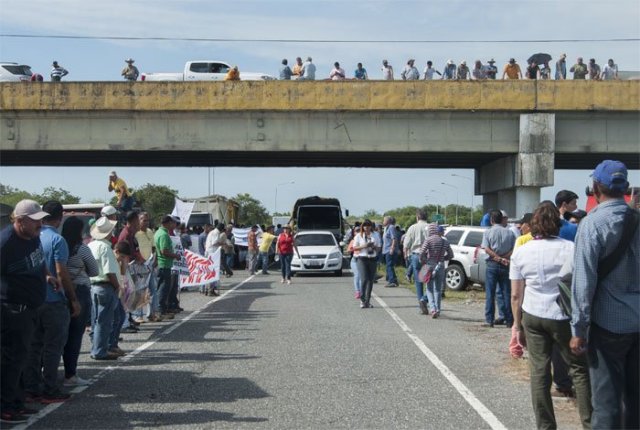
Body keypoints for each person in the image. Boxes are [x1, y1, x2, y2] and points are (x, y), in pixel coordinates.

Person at [510, 201, 592, 430]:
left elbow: (516, 295)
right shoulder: (571, 248)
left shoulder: (521, 251)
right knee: (578, 369)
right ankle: (589, 422)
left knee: (539, 372)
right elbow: (581, 285)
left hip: (533, 314)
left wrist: (518, 326)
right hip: (563, 315)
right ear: (557, 224)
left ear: (533, 225)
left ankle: (545, 426)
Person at [571, 160, 639, 429]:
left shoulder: (592, 224)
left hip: (608, 324)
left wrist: (579, 329)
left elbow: (583, 282)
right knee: (635, 400)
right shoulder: (636, 219)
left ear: (595, 187)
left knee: (606, 402)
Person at [1, 200, 56, 423]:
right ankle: (4, 407)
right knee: (10, 360)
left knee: (21, 360)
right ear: (20, 220)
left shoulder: (32, 239)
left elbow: (39, 261)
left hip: (30, 309)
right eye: (35, 221)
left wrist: (47, 275)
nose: (40, 224)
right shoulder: (5, 244)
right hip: (11, 311)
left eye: (41, 220)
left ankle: (16, 402)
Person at [24, 201, 80, 404]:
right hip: (54, 299)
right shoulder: (58, 239)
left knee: (34, 346)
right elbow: (60, 271)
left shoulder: (32, 237)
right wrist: (73, 298)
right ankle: (50, 387)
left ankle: (31, 387)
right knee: (53, 347)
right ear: (60, 217)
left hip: (34, 299)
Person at [61, 216, 99, 387]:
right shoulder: (81, 249)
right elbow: (94, 270)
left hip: (61, 291)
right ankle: (71, 374)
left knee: (60, 335)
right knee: (76, 334)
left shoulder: (60, 246)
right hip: (80, 291)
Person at [87, 216, 121, 360]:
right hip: (105, 285)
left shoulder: (91, 245)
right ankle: (100, 350)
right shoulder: (105, 247)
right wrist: (117, 286)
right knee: (104, 321)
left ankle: (96, 347)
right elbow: (109, 271)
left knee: (96, 320)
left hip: (93, 285)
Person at [481, 209, 515, 327]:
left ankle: (489, 320)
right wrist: (503, 258)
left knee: (490, 293)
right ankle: (509, 320)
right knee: (507, 293)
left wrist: (497, 257)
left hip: (492, 264)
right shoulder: (510, 233)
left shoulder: (488, 232)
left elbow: (486, 248)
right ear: (502, 219)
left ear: (491, 220)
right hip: (505, 264)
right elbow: (513, 249)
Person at [419, 223, 453, 318]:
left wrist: (424, 260)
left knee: (429, 289)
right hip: (440, 266)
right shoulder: (445, 242)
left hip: (430, 265)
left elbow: (421, 253)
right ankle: (438, 310)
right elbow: (451, 255)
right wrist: (442, 258)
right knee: (437, 290)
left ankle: (433, 309)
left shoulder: (428, 240)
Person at [134, 211, 162, 322]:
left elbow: (154, 247)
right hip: (139, 265)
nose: (146, 222)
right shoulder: (135, 233)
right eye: (143, 220)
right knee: (139, 291)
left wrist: (155, 259)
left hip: (150, 265)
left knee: (153, 290)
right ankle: (138, 315)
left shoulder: (150, 232)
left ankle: (152, 313)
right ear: (138, 220)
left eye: (147, 220)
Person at [403, 209, 430, 314]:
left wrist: (406, 255)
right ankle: (425, 299)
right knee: (429, 281)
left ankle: (421, 304)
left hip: (416, 256)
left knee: (419, 282)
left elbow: (406, 244)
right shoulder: (430, 227)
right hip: (427, 256)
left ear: (417, 217)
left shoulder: (412, 227)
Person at [154, 215, 179, 319]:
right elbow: (164, 251)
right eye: (172, 223)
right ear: (167, 223)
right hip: (164, 265)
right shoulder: (164, 235)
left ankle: (162, 309)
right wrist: (176, 256)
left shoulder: (158, 232)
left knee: (162, 287)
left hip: (162, 264)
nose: (173, 225)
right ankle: (161, 310)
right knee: (163, 288)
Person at [352, 219, 381, 309]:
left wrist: (373, 246)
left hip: (372, 258)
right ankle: (362, 300)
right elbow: (354, 248)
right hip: (362, 258)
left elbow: (379, 248)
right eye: (364, 226)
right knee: (364, 279)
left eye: (368, 225)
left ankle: (367, 301)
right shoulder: (359, 236)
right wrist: (364, 246)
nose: (366, 227)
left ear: (371, 226)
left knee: (370, 281)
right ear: (362, 227)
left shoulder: (376, 235)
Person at [382, 216, 398, 288]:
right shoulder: (386, 228)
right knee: (389, 265)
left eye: (384, 220)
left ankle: (392, 281)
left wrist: (392, 248)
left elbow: (394, 238)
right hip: (386, 250)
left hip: (389, 250)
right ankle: (394, 280)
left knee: (389, 265)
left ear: (388, 221)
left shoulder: (391, 227)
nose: (383, 221)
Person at [348, 226, 362, 299]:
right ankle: (358, 291)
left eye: (359, 230)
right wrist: (352, 249)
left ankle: (362, 291)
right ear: (354, 233)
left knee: (362, 277)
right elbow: (348, 250)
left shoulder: (364, 240)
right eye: (356, 231)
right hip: (355, 260)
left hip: (363, 260)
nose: (358, 232)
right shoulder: (353, 241)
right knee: (357, 275)